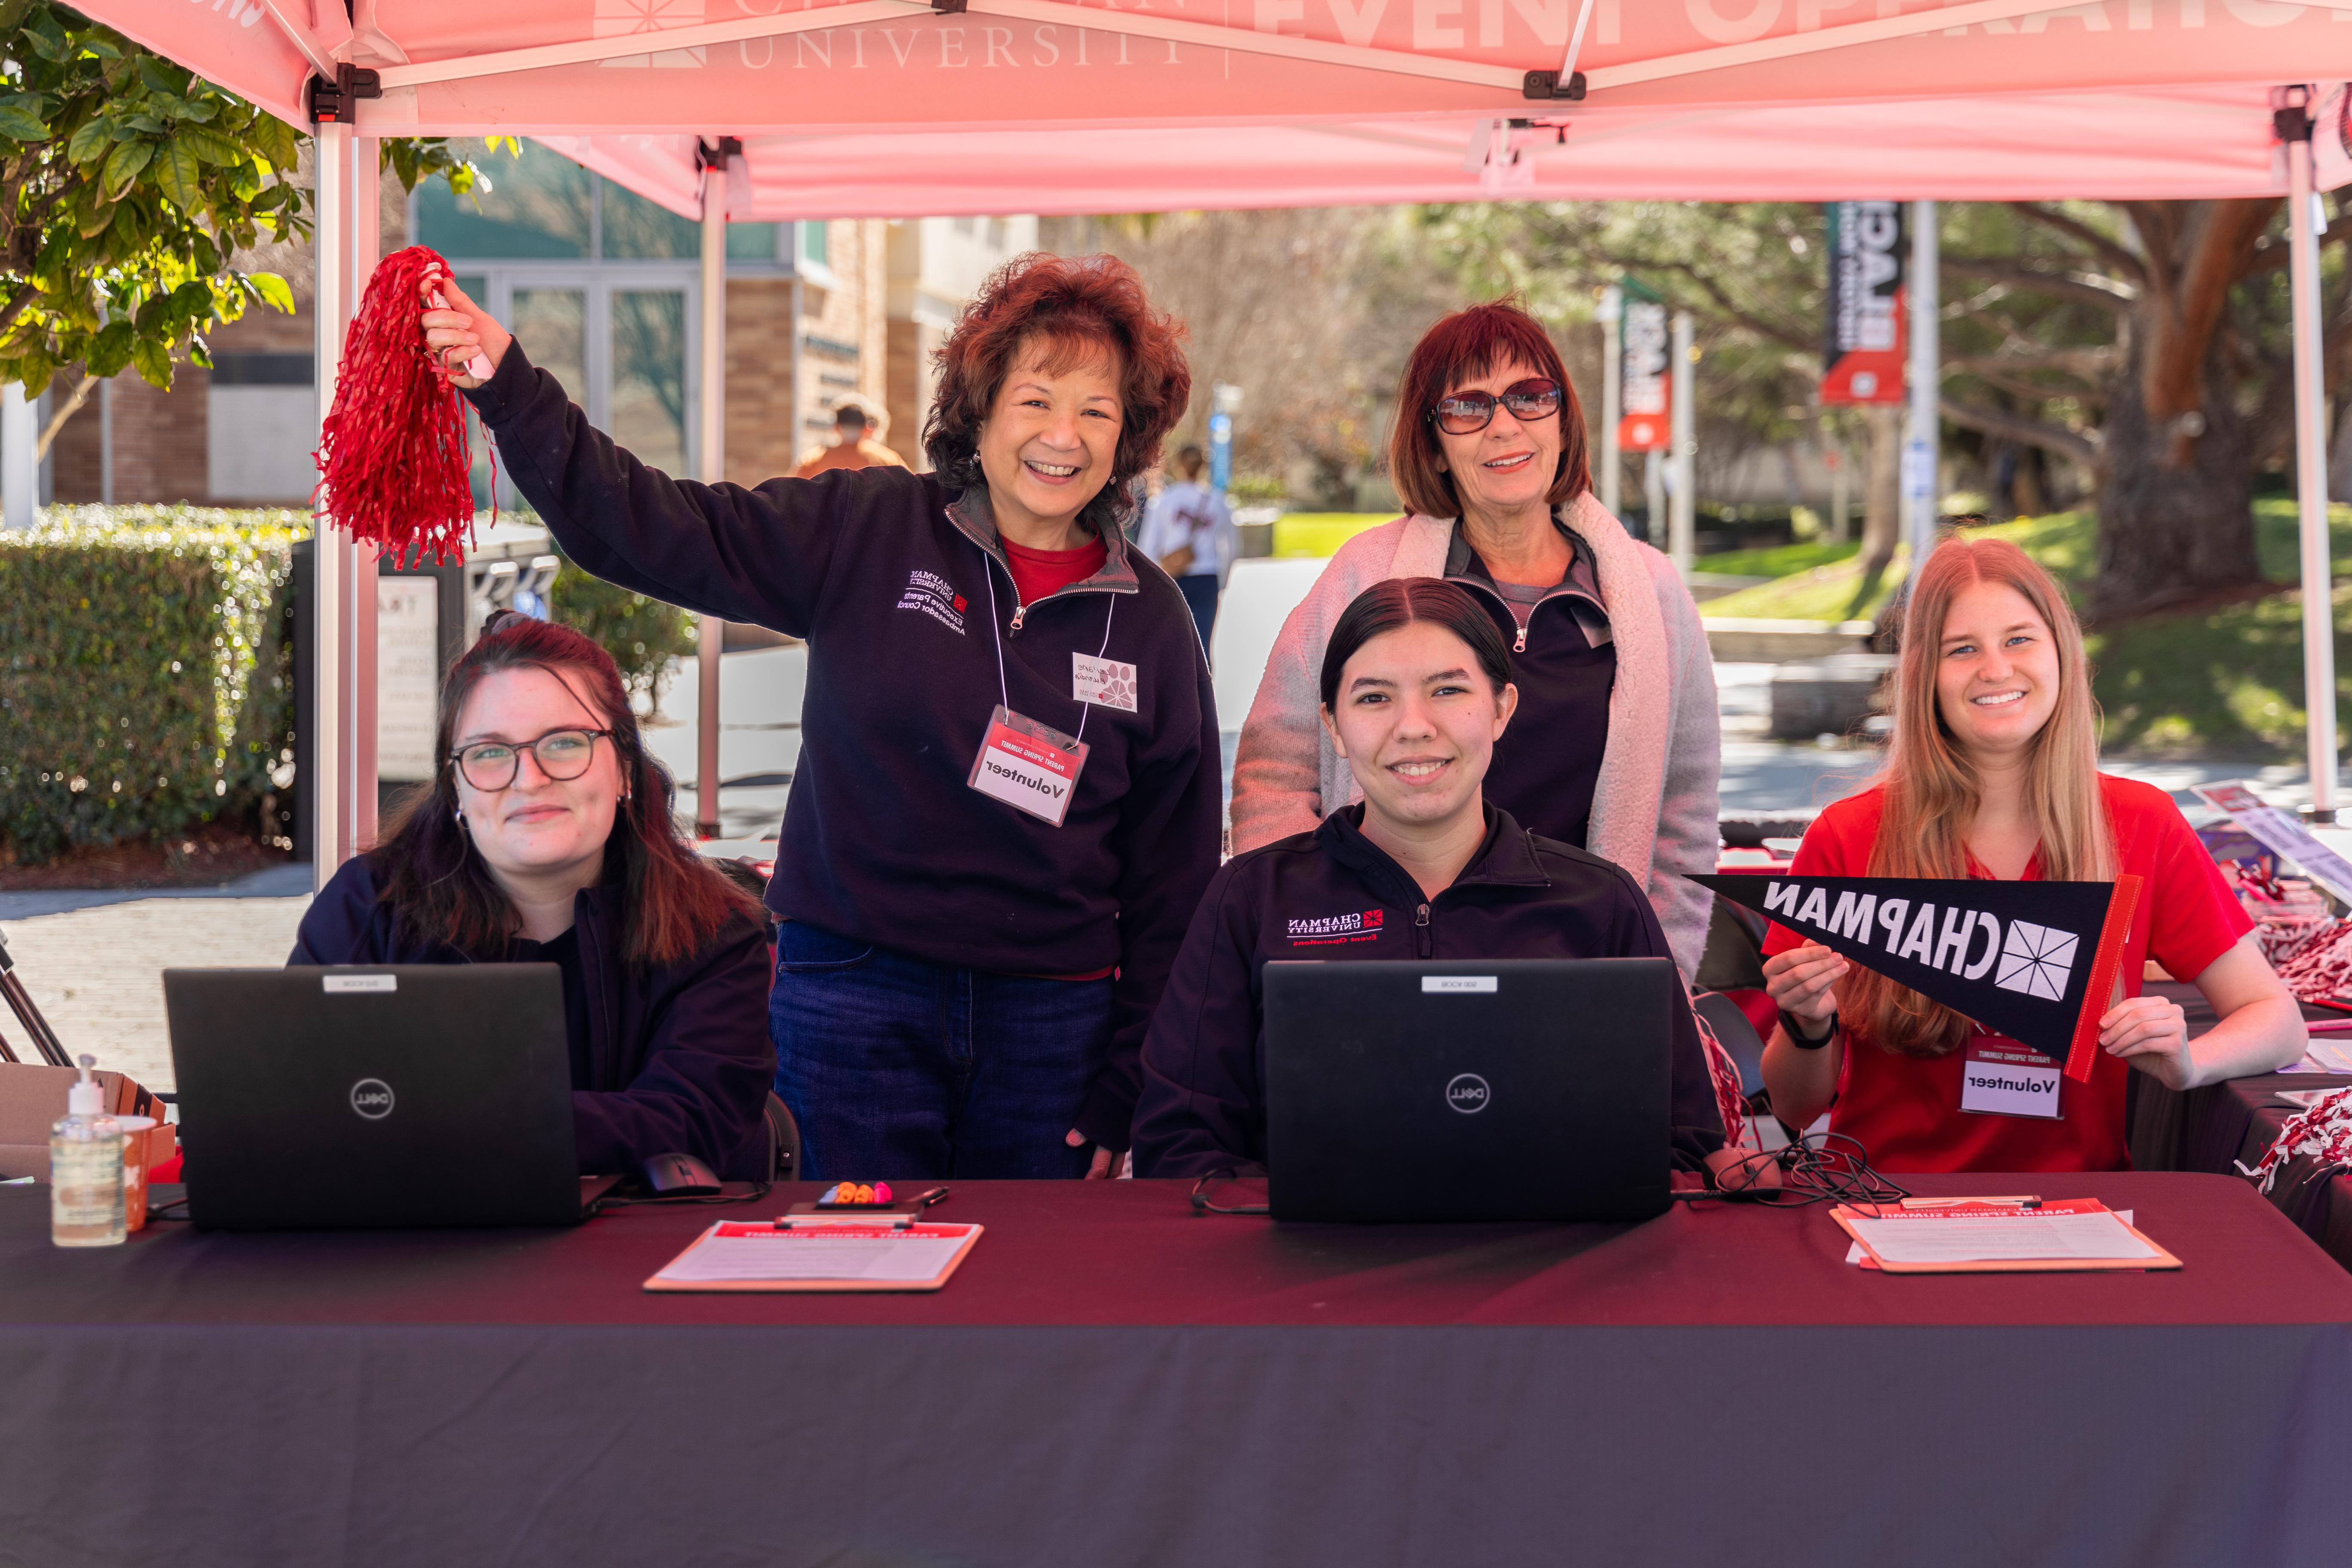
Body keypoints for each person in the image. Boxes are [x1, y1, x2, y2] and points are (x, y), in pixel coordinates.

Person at [421, 253, 1220, 1182]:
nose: (1062, 436)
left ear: (1129, 436)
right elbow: (657, 528)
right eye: (1036, 399)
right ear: (983, 410)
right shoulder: (872, 528)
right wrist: (512, 389)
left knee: (1025, 1305)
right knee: (845, 1286)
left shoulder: (1152, 617)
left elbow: (1178, 879)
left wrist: (1131, 1077)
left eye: (1097, 410)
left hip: (1053, 1026)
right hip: (852, 997)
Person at [1132, 579, 1727, 1179]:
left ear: (1501, 709)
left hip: (1545, 1264)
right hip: (1310, 1262)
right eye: (1374, 699)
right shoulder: (1254, 898)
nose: (1414, 727)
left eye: (1447, 690)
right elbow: (1180, 1144)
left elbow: (1686, 1146)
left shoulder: (1602, 906)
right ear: (1332, 726)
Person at [1760, 536, 2304, 1173]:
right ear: (1923, 677)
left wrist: (2191, 1063)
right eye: (1962, 649)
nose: (1995, 669)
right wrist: (1806, 1023)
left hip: (2080, 1215)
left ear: (2063, 654)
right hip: (1883, 1207)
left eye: (2018, 639)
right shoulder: (1849, 836)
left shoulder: (2142, 822)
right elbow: (1796, 1109)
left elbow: (2279, 1020)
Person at [1229, 300, 1720, 977]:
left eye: (1530, 397)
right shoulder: (1365, 577)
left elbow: (1685, 820)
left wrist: (1649, 978)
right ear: (1433, 444)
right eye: (1469, 406)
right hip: (1382, 969)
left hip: (1581, 973)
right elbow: (1274, 773)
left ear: (1563, 418)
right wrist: (1315, 935)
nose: (1504, 426)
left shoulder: (1653, 595)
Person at [289, 613, 775, 1177]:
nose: (529, 778)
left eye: (564, 743)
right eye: (490, 752)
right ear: (456, 790)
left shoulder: (716, 932)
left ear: (622, 770)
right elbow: (301, 1103)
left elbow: (689, 1124)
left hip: (638, 1255)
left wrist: (444, 1122)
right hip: (411, 1255)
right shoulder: (369, 907)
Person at [1135, 444, 1234, 656]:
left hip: (1172, 580)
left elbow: (1147, 549)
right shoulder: (1218, 502)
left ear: (1179, 466)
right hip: (1207, 579)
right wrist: (1223, 580)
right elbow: (1232, 546)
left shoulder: (1163, 502)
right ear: (1203, 467)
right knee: (1203, 647)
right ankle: (1206, 689)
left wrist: (1149, 587)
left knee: (1172, 647)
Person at [796, 400, 906, 478]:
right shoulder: (889, 460)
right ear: (867, 428)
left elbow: (794, 496)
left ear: (836, 428)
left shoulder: (813, 461)